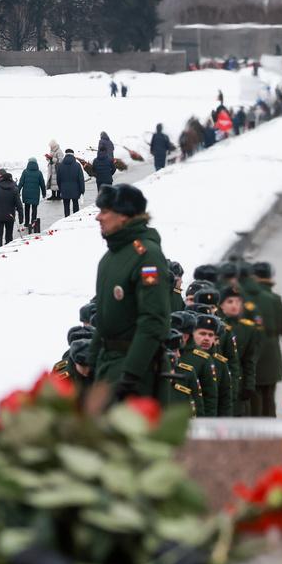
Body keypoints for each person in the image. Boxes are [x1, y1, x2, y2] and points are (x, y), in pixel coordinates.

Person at [89, 184, 172, 401]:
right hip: (108, 363)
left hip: (132, 366)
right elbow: (105, 318)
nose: (99, 217)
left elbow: (153, 320)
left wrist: (131, 373)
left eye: (105, 212)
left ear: (124, 216)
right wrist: (91, 362)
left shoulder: (146, 256)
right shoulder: (111, 257)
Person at [248, 261, 282, 418]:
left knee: (253, 396)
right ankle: (271, 434)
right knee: (269, 396)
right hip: (271, 355)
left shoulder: (245, 299)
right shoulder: (275, 299)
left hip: (251, 353)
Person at [218, 286, 260, 416]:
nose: (234, 305)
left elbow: (250, 360)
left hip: (238, 381)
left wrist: (249, 384)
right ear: (221, 305)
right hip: (219, 378)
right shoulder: (217, 327)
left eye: (238, 302)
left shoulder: (248, 328)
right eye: (230, 302)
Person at [0, 169, 22, 249]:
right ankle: (8, 255)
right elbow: (19, 204)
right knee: (9, 237)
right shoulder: (14, 188)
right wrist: (21, 217)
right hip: (10, 216)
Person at [18, 158, 47, 228]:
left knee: (27, 208)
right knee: (34, 208)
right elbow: (42, 184)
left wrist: (17, 191)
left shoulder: (25, 172)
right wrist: (44, 193)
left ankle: (27, 223)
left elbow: (21, 182)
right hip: (35, 194)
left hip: (26, 193)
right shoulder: (39, 173)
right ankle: (33, 222)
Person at [56, 148, 85, 217]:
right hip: (75, 189)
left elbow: (58, 179)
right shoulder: (77, 165)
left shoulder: (60, 165)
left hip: (64, 189)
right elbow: (81, 179)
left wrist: (61, 188)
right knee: (75, 204)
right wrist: (82, 190)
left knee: (66, 206)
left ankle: (66, 218)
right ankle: (76, 218)